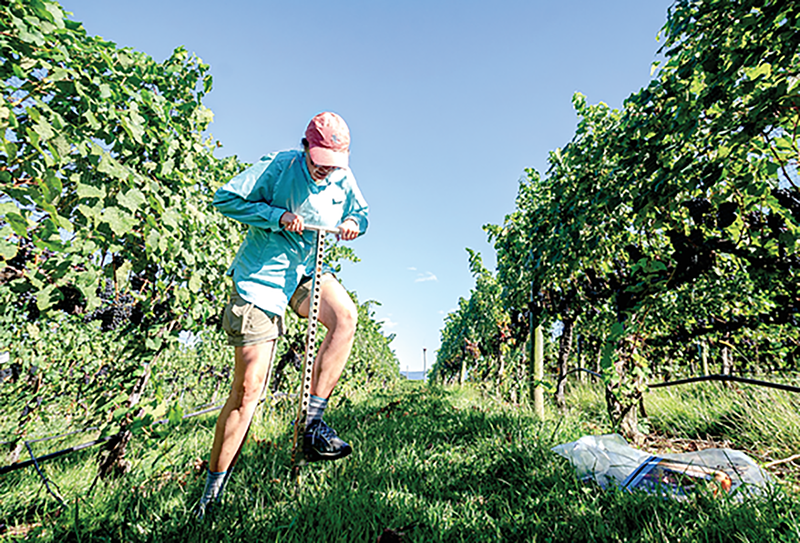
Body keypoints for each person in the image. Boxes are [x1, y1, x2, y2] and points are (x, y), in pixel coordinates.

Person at [196, 112, 368, 517]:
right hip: (260, 281)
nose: (325, 168)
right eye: (320, 158)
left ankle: (311, 426)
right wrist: (277, 218)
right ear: (306, 147)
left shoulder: (342, 177)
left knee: (345, 317)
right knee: (248, 392)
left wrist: (352, 223)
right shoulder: (280, 166)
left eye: (334, 161)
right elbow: (225, 198)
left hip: (304, 272)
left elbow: (362, 212)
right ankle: (210, 497)